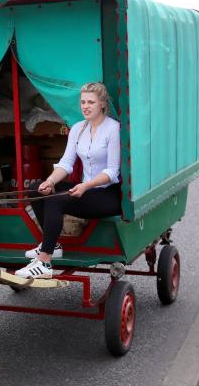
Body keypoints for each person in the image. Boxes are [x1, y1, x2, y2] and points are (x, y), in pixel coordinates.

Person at [15, 83, 122, 279]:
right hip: (86, 189)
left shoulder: (113, 129)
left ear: (102, 104)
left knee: (56, 200)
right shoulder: (78, 129)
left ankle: (45, 262)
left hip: (107, 194)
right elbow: (66, 163)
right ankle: (53, 246)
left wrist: (86, 186)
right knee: (37, 191)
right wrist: (50, 181)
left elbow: (112, 171)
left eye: (91, 102)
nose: (85, 106)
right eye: (82, 102)